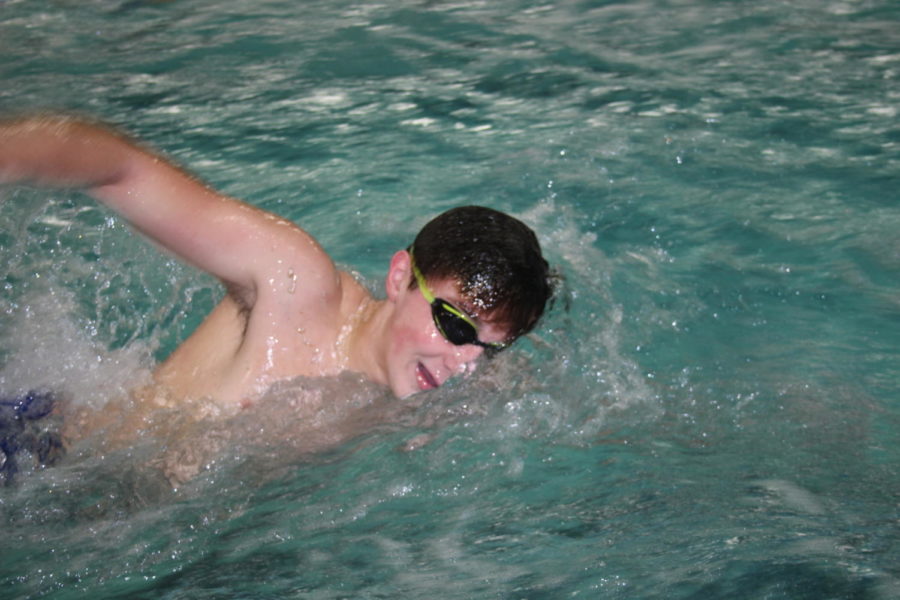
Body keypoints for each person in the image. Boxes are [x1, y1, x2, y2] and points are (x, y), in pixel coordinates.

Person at [0, 114, 553, 415]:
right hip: (43, 458)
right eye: (455, 324)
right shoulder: (295, 284)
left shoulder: (455, 377)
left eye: (489, 347)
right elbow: (124, 169)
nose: (464, 364)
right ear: (400, 278)